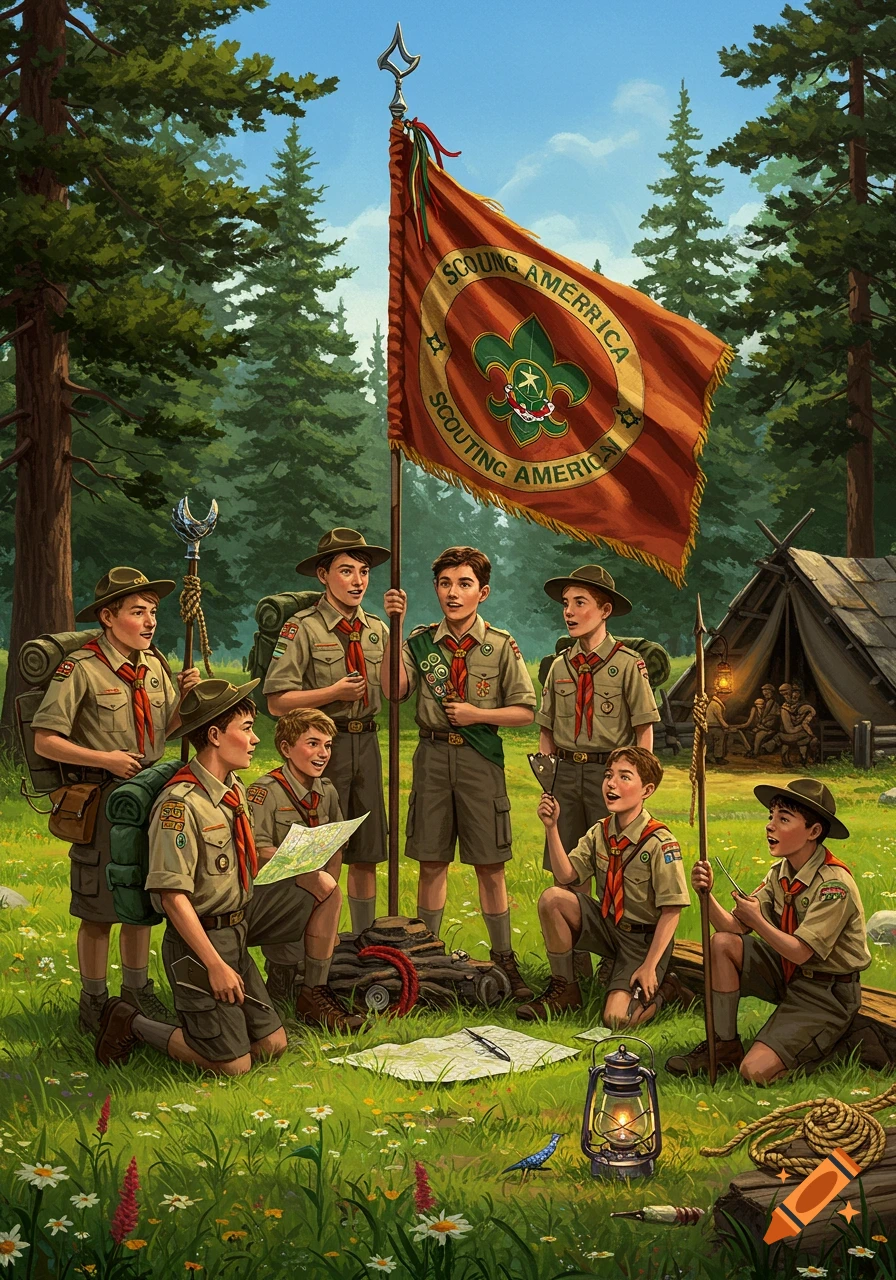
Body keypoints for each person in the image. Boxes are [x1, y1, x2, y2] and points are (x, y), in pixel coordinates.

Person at [94, 679, 362, 1073]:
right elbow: (172, 897)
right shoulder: (181, 804)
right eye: (248, 728)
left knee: (272, 1045)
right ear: (216, 736)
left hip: (236, 931)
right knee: (234, 1066)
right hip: (198, 943)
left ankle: (302, 992)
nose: (255, 740)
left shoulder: (232, 790)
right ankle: (130, 1022)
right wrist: (215, 965)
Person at [31, 566, 200, 1033]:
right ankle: (94, 1001)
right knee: (99, 905)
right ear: (108, 616)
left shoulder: (154, 667)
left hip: (148, 793)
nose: (149, 622)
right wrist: (103, 759)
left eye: (152, 613)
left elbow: (162, 732)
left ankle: (137, 992)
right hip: (103, 800)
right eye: (137, 612)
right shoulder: (81, 669)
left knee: (140, 897)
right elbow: (45, 738)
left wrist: (185, 701)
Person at [382, 546, 537, 999]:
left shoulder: (501, 644)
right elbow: (394, 691)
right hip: (431, 758)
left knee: (491, 863)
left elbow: (526, 712)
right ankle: (426, 961)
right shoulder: (419, 641)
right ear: (436, 589)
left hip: (479, 760)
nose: (453, 593)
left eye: (464, 584)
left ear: (482, 592)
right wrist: (394, 628)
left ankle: (505, 958)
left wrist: (475, 714)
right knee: (431, 861)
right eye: (446, 584)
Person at [666, 779, 870, 1083]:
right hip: (790, 973)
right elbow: (733, 927)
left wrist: (759, 921)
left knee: (755, 1072)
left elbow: (802, 952)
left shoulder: (833, 885)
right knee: (721, 943)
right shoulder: (780, 873)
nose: (770, 826)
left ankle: (828, 1045)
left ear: (814, 832)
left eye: (783, 819)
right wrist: (705, 895)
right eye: (770, 817)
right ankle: (725, 1045)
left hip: (827, 990)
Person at [262, 528, 390, 938]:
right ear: (323, 575)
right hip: (321, 747)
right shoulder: (303, 628)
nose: (357, 581)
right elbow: (276, 701)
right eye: (346, 571)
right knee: (322, 845)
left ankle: (366, 938)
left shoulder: (377, 629)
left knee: (367, 849)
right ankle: (322, 940)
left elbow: (396, 690)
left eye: (364, 572)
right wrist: (331, 693)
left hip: (366, 742)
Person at [536, 565, 660, 977]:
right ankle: (572, 973)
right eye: (565, 604)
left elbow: (644, 728)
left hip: (612, 775)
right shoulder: (559, 667)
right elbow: (547, 729)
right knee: (567, 873)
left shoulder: (628, 665)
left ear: (604, 609)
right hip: (566, 774)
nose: (569, 612)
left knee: (615, 870)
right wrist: (547, 780)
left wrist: (638, 784)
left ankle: (616, 964)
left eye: (580, 603)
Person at [518, 746, 690, 1025]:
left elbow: (672, 911)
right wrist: (552, 827)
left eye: (624, 777)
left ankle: (668, 988)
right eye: (608, 775)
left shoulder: (660, 842)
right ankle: (566, 989)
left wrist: (648, 966)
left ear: (646, 790)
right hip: (609, 925)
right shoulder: (601, 831)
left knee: (616, 1018)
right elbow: (567, 876)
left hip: (642, 940)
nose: (611, 783)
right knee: (553, 898)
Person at [249, 708, 345, 1006]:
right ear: (286, 748)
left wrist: (326, 889)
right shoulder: (264, 792)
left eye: (327, 745)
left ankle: (313, 990)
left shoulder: (326, 791)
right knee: (289, 955)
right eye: (313, 743)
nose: (322, 753)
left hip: (314, 886)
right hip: (272, 888)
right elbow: (257, 851)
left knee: (324, 889)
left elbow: (336, 846)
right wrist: (304, 870)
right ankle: (285, 979)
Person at [733, 683, 780, 757]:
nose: (766, 693)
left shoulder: (774, 704)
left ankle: (755, 753)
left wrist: (761, 727)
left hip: (768, 727)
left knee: (758, 736)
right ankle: (750, 750)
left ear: (772, 692)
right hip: (762, 726)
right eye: (764, 691)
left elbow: (772, 718)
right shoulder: (764, 703)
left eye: (768, 691)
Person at [705, 688, 731, 765]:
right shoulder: (716, 705)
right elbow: (719, 718)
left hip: (710, 726)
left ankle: (708, 758)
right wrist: (726, 726)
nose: (727, 698)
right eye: (726, 696)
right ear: (720, 695)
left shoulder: (714, 703)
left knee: (710, 743)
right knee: (718, 743)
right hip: (715, 727)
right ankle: (718, 758)